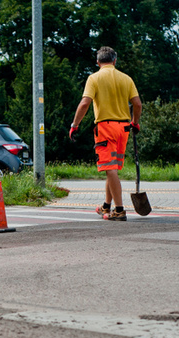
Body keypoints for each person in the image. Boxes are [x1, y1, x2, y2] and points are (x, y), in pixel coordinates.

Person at [69, 47, 142, 221]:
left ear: (98, 62)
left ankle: (119, 210)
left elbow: (85, 103)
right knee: (112, 168)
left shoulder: (94, 78)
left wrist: (75, 124)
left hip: (106, 128)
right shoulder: (126, 78)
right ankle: (106, 206)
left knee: (109, 169)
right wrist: (135, 123)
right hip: (123, 128)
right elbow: (137, 104)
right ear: (115, 61)